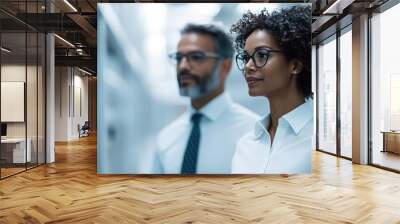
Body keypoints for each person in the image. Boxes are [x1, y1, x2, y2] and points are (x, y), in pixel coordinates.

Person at [152, 23, 259, 174]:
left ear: (225, 66)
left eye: (196, 57)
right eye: (178, 57)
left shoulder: (255, 133)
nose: (183, 66)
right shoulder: (166, 138)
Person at [230, 5, 313, 174]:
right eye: (246, 58)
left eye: (262, 55)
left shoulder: (320, 140)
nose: (248, 66)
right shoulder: (246, 144)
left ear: (295, 65)